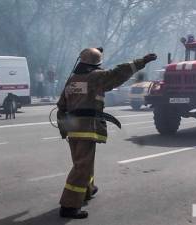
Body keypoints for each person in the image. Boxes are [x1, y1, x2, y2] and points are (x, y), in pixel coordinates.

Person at [56, 47, 157, 219]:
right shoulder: (96, 77)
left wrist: (63, 129)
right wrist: (142, 61)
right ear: (97, 64)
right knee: (82, 166)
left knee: (83, 162)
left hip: (72, 129)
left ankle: (87, 190)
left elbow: (61, 106)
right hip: (88, 128)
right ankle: (69, 206)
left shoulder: (72, 80)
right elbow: (119, 72)